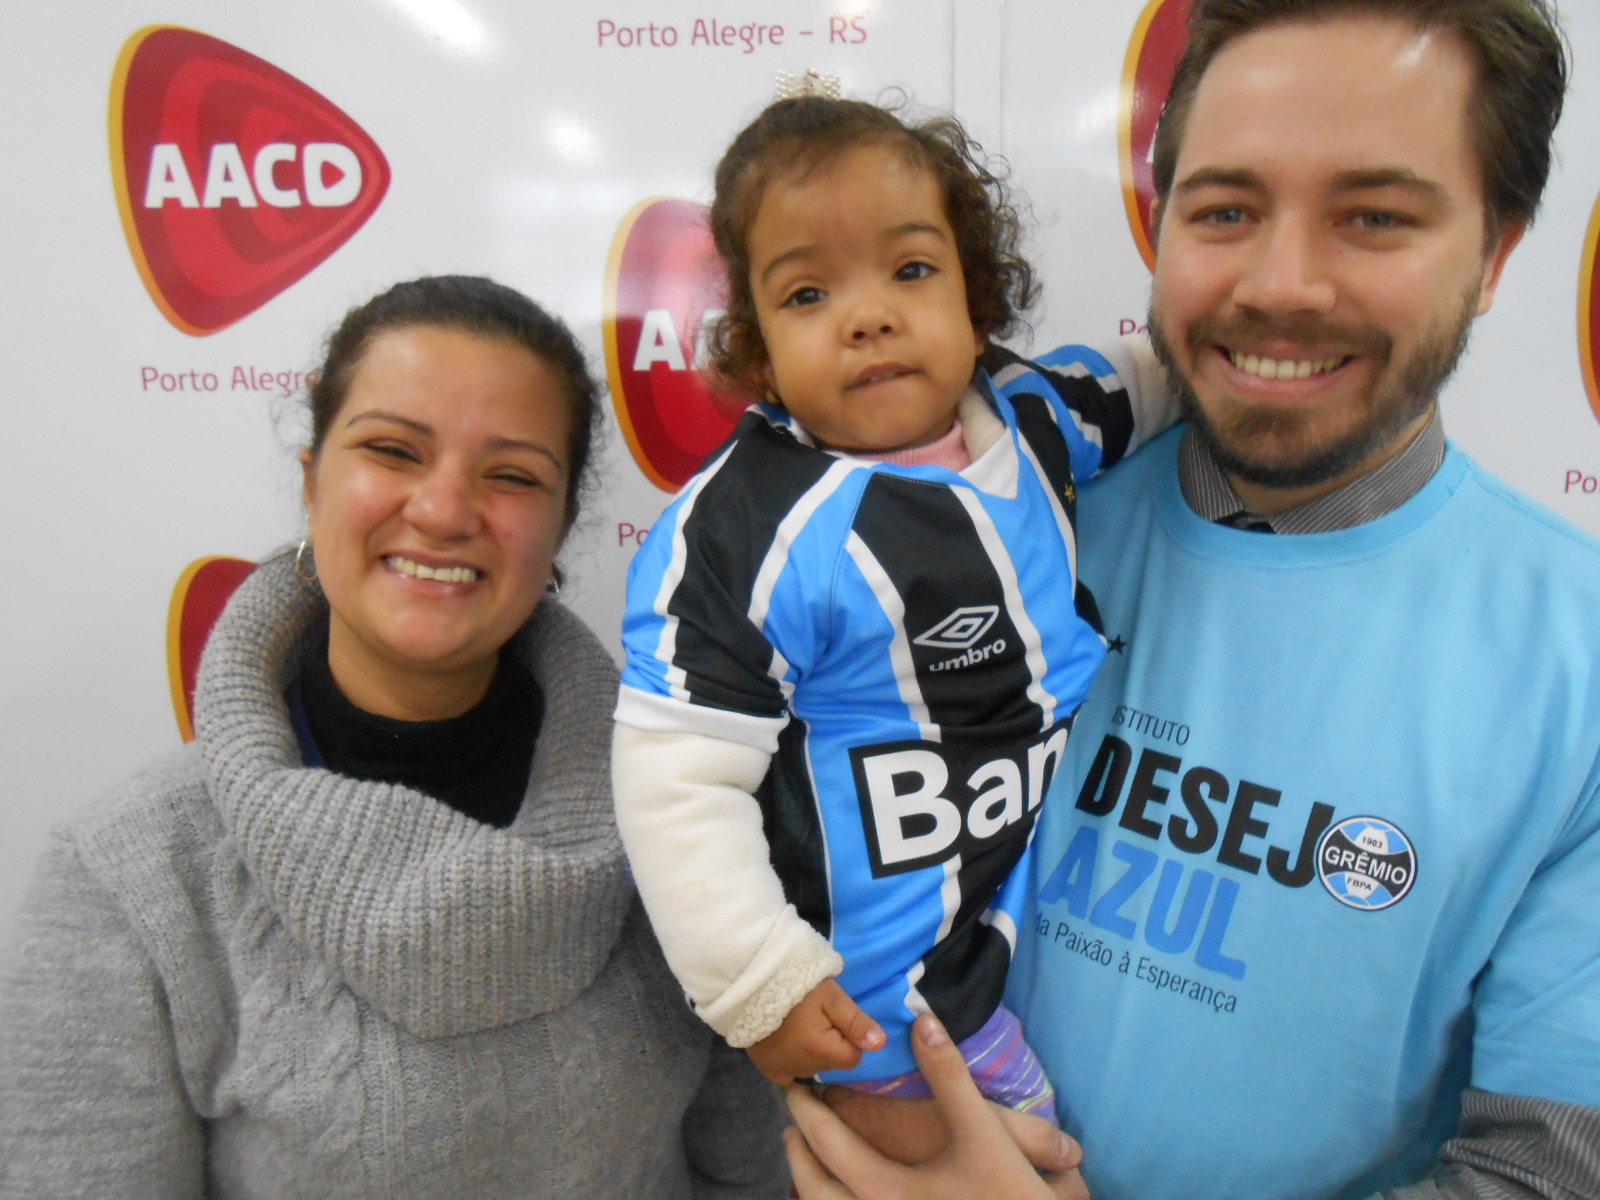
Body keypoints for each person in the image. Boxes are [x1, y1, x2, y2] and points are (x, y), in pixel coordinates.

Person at [786, 1, 1600, 1197]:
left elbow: (1546, 1169)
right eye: (1224, 211)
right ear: (1158, 226)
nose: (1280, 283)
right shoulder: (969, 538)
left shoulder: (1574, 655)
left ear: (1494, 255)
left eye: (1373, 216)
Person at [0, 275, 789, 1198]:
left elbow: (754, 1179)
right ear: (311, 480)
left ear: (562, 526)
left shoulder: (689, 825)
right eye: (392, 450)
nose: (445, 511)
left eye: (512, 475)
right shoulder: (132, 883)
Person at [612, 93, 1175, 1114]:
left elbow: (1155, 376)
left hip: (1030, 934)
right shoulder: (744, 529)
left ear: (975, 292)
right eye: (806, 294)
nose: (867, 315)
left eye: (911, 270)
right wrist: (757, 980)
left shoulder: (1035, 412)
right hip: (878, 1001)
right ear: (755, 341)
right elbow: (673, 777)